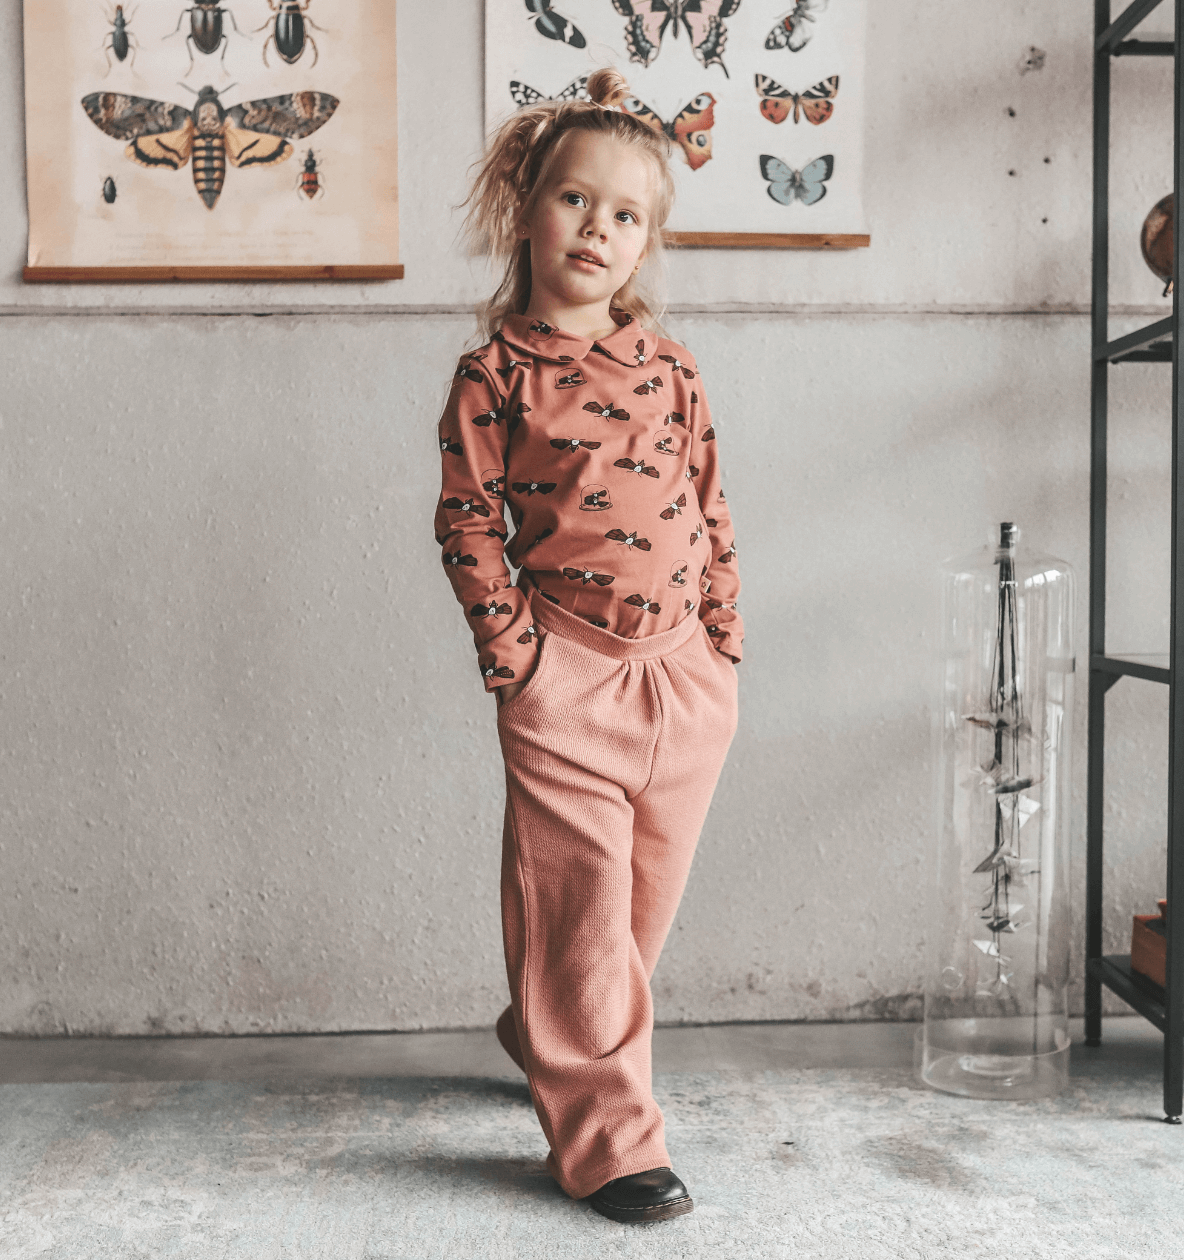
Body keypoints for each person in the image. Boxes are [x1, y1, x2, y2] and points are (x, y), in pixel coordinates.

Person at [433, 66, 743, 1224]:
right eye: (575, 200)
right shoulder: (496, 375)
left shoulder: (670, 366)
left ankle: (546, 1024)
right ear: (527, 208)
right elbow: (468, 522)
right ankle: (611, 1140)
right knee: (580, 904)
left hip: (686, 679)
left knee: (631, 919)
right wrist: (518, 660)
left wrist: (722, 641)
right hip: (567, 675)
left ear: (646, 240)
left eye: (626, 214)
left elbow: (710, 502)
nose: (597, 229)